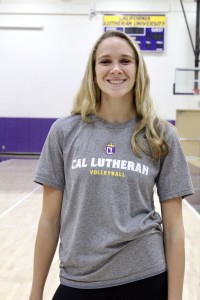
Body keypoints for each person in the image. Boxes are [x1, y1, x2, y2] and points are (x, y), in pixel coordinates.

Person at [29, 30, 194, 300]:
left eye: (125, 61)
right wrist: (35, 293)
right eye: (105, 61)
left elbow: (175, 229)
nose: (115, 69)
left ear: (138, 69)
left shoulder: (161, 135)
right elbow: (49, 220)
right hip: (79, 278)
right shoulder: (64, 132)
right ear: (93, 71)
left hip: (144, 276)